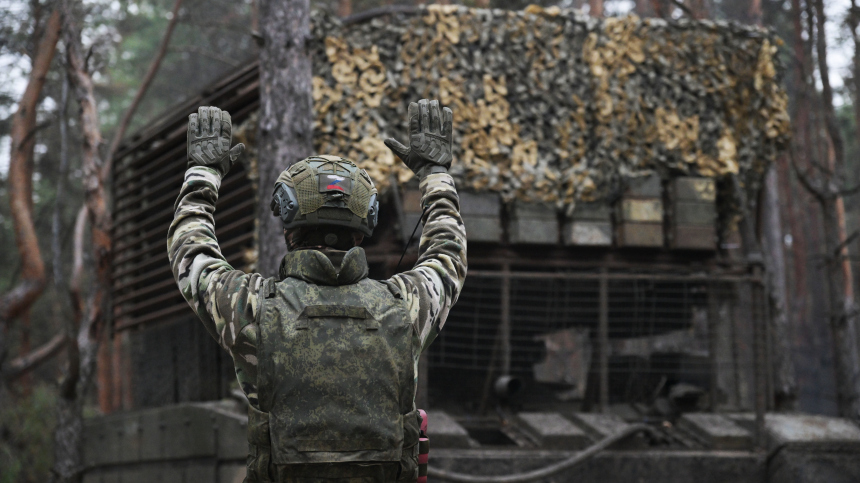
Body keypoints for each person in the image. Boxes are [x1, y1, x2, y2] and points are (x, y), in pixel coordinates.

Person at [167, 99, 467, 482]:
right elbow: (449, 252)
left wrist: (203, 173)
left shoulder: (251, 308)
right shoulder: (405, 307)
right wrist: (435, 173)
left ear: (288, 228)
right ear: (363, 230)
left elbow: (189, 250)